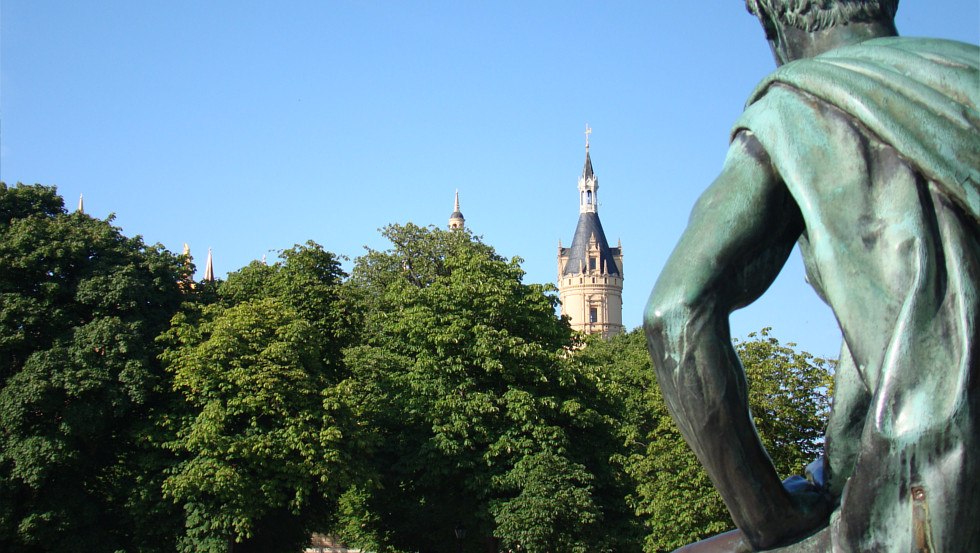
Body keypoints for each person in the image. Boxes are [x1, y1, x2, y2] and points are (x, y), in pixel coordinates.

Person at [644, 1, 979, 551]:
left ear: (775, 21)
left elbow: (675, 311)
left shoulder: (800, 105)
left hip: (926, 491)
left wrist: (771, 518)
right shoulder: (965, 71)